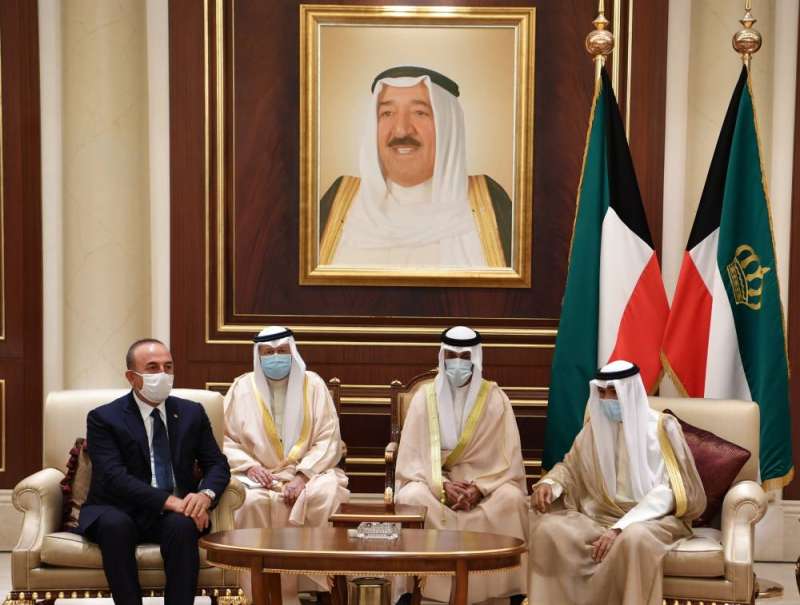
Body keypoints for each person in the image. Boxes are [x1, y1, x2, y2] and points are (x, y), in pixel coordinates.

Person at [528, 360, 706, 605]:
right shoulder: (594, 428)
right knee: (548, 529)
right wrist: (550, 484)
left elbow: (671, 490)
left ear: (629, 391)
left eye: (613, 391)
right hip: (600, 515)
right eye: (601, 392)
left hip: (651, 519)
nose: (606, 399)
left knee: (634, 538)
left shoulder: (662, 428)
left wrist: (621, 527)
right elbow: (570, 467)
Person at [77, 339, 231, 605]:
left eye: (168, 367)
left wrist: (205, 496)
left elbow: (217, 464)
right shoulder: (104, 418)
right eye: (152, 368)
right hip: (118, 507)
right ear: (132, 377)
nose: (163, 374)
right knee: (116, 526)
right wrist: (174, 502)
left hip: (173, 514)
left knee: (182, 526)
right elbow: (114, 477)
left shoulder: (191, 413)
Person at [319, 65, 512, 268]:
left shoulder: (488, 205)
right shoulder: (339, 203)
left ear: (448, 126)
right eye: (387, 113)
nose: (401, 130)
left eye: (420, 113)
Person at [394, 326, 528, 604]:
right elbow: (411, 457)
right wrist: (442, 485)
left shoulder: (496, 399)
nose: (457, 363)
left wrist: (480, 488)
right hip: (435, 484)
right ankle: (413, 589)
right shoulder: (424, 398)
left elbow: (509, 458)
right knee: (410, 497)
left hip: (485, 486)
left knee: (511, 499)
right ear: (442, 356)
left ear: (475, 358)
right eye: (451, 356)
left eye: (464, 356)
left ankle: (510, 591)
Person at [223, 326, 349, 605]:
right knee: (249, 502)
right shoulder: (242, 388)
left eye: (282, 351)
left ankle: (320, 584)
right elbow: (225, 439)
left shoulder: (313, 385)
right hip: (258, 475)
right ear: (258, 355)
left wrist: (302, 476)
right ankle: (256, 593)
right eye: (268, 352)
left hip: (310, 472)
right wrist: (249, 467)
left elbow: (328, 438)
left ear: (292, 351)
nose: (275, 357)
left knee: (325, 495)